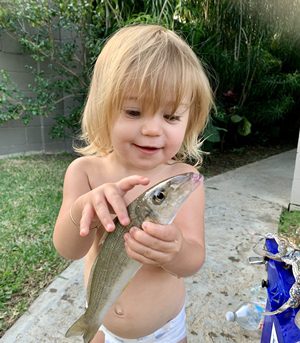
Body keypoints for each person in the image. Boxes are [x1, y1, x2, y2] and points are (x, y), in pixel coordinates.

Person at [53, 24, 213, 343]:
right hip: (104, 323)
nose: (153, 129)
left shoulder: (182, 181)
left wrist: (175, 249)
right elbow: (68, 249)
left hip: (165, 328)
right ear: (104, 109)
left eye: (170, 117)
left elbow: (192, 261)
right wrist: (83, 211)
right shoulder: (85, 172)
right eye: (134, 111)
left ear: (190, 120)